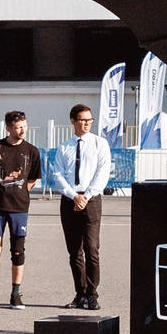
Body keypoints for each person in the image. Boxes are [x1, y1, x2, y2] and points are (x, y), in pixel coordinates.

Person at [0, 110, 41, 309]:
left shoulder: (32, 151)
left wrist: (18, 193)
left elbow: (32, 179)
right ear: (8, 128)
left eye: (24, 126)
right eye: (18, 127)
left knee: (18, 251)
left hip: (19, 208)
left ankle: (15, 294)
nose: (22, 130)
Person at [55, 103, 113, 310]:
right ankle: (80, 293)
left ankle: (92, 294)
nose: (87, 123)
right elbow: (58, 175)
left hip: (91, 200)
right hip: (70, 200)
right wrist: (73, 196)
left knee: (92, 249)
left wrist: (86, 196)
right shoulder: (64, 147)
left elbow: (102, 172)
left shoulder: (99, 143)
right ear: (73, 121)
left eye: (90, 120)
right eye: (83, 120)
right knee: (74, 251)